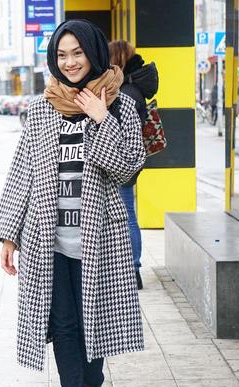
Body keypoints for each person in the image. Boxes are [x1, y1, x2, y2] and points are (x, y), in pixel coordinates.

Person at [0, 19, 146, 387]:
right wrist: (9, 234)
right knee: (62, 326)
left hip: (100, 240)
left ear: (93, 52)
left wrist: (102, 119)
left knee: (93, 324)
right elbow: (23, 170)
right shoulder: (42, 109)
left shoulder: (118, 103)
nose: (70, 62)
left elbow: (128, 169)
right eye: (62, 54)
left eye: (77, 53)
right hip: (48, 240)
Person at [109, 40, 159, 290]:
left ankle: (133, 269)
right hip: (128, 158)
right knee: (126, 212)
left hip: (124, 160)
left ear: (116, 59)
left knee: (127, 214)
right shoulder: (132, 86)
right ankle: (130, 267)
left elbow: (118, 129)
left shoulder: (127, 91)